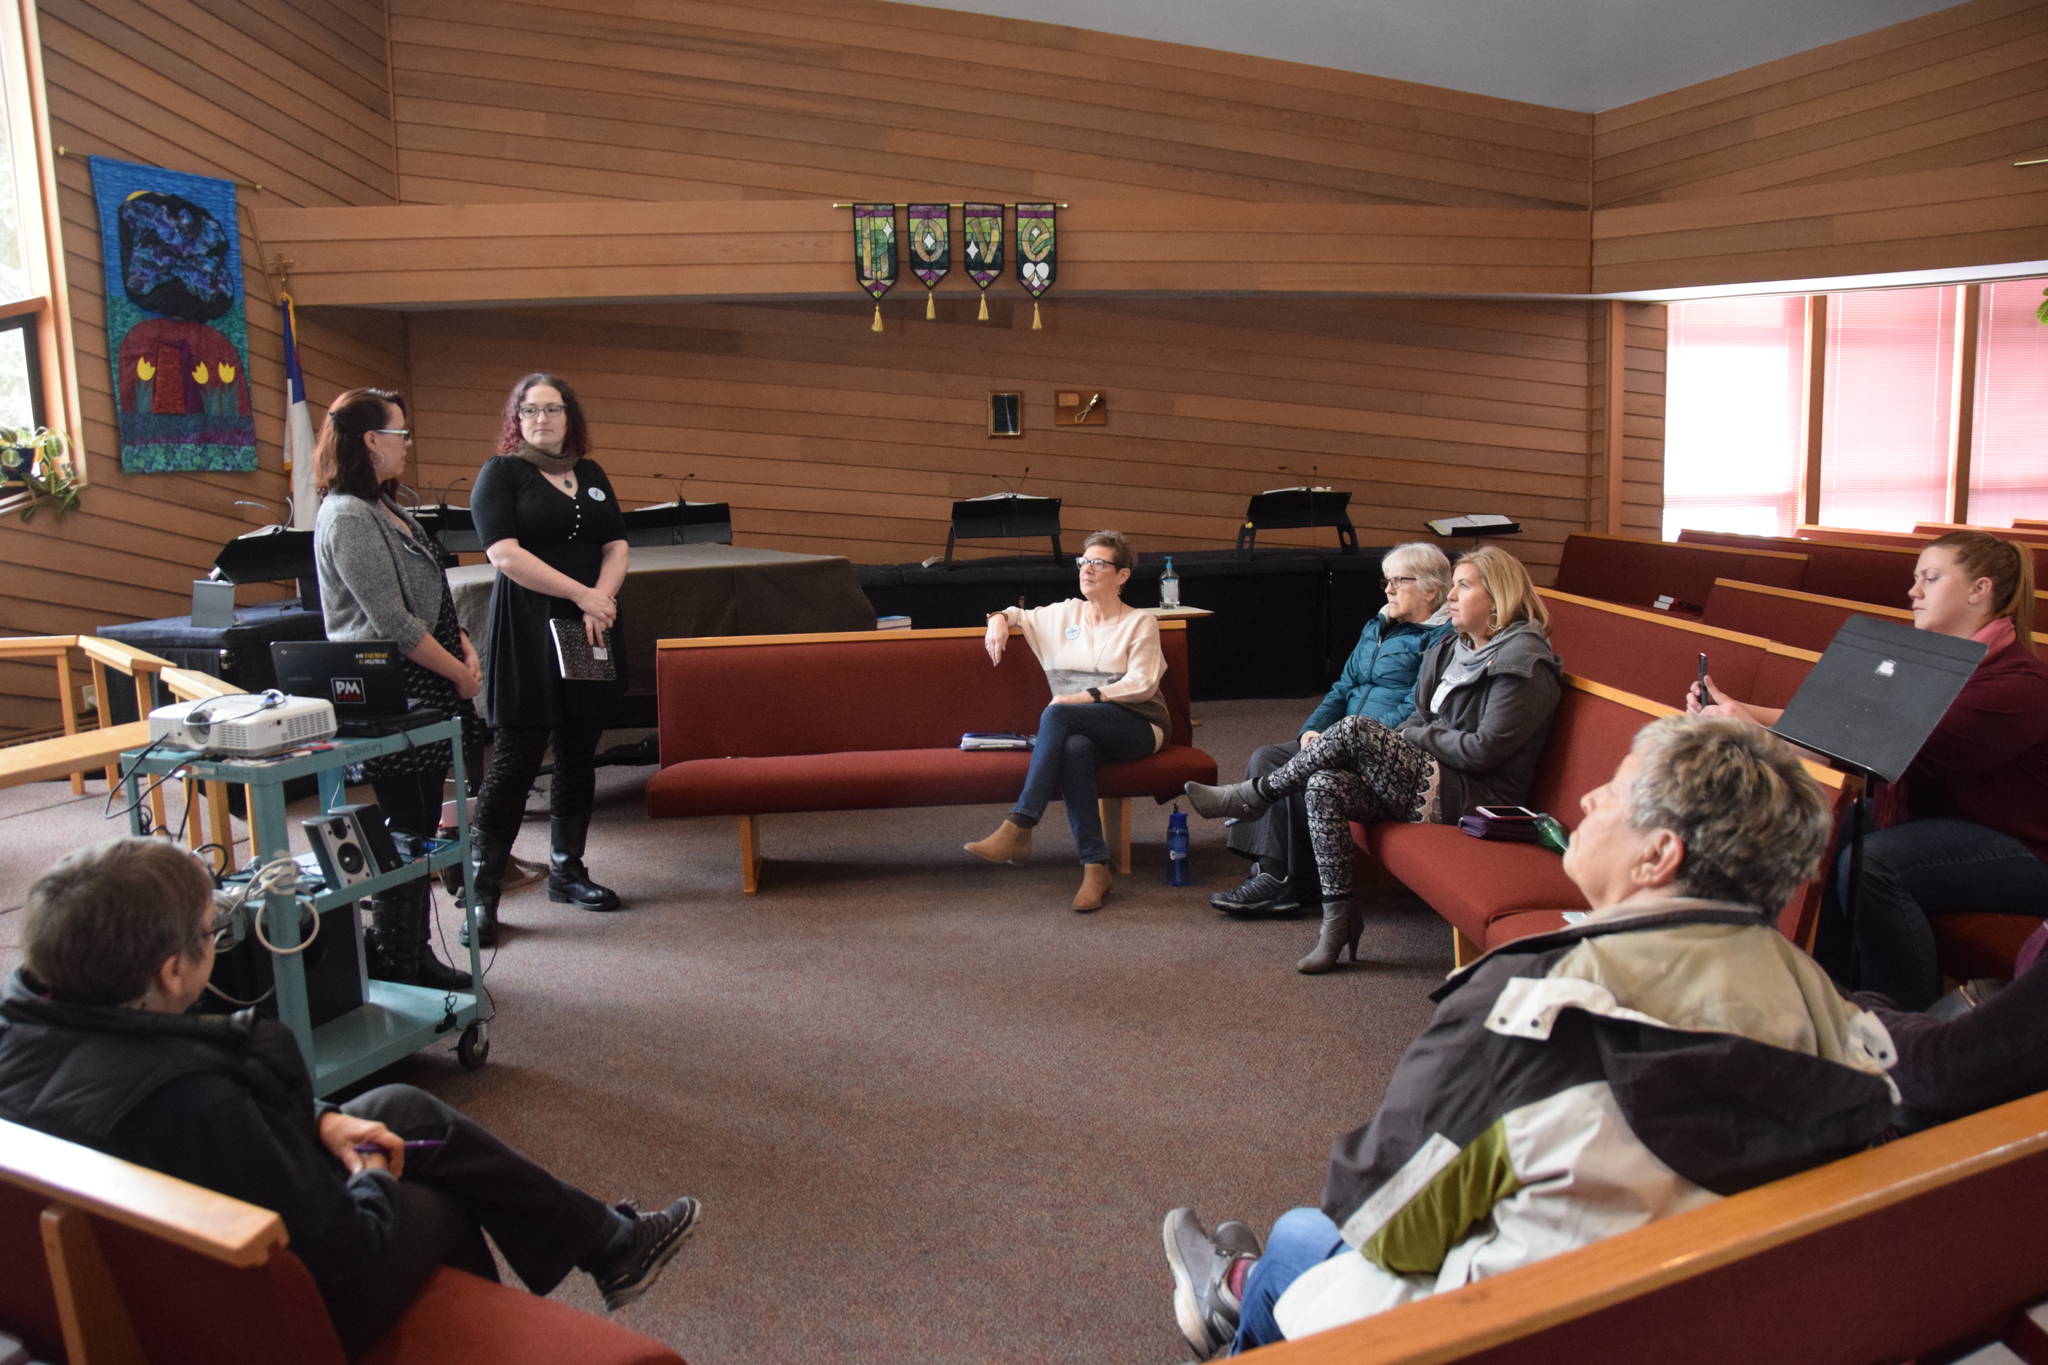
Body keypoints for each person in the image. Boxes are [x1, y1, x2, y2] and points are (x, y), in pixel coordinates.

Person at [1161, 717, 1899, 1359]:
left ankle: (1233, 1299)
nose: (1587, 801)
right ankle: (1232, 1291)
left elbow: (1384, 1222)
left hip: (1528, 1326)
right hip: (1704, 1315)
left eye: (1613, 792)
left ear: (1658, 856)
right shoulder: (1835, 1012)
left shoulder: (1539, 1008)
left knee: (1299, 1236)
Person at [0, 838, 701, 1360]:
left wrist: (322, 1119)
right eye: (211, 932)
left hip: (130, 1266)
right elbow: (347, 1252)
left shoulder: (32, 1021)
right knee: (436, 1188)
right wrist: (373, 1184)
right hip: (241, 1318)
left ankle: (609, 1242)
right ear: (172, 968)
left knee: (401, 1109)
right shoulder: (195, 1102)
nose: (217, 939)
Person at [1690, 530, 2048, 1010]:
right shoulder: (1938, 665)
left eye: (1930, 578)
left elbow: (1891, 746)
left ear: (1979, 590)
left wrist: (1753, 732)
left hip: (2026, 850)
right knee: (1829, 827)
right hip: (1949, 823)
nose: (1913, 592)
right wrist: (1742, 710)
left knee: (1876, 863)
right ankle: (1829, 992)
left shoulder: (2018, 683)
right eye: (1916, 578)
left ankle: (1900, 1019)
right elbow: (1847, 723)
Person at [1185, 546, 1563, 973]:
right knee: (1323, 783)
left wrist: (1413, 737)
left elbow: (1484, 749)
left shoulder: (1523, 661)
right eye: (1453, 585)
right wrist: (1412, 736)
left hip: (1476, 795)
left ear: (1498, 597)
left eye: (1464, 586)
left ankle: (1254, 796)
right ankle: (1339, 918)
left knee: (1355, 728)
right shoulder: (1453, 649)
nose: (1452, 596)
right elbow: (1419, 712)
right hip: (1430, 773)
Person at [312, 388, 475, 992]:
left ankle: (404, 952)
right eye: (400, 433)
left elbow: (430, 584)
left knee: (421, 821)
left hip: (426, 676)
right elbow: (389, 621)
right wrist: (458, 672)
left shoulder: (384, 504)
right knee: (408, 824)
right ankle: (401, 956)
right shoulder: (347, 514)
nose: (407, 443)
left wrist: (461, 640)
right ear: (370, 441)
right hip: (392, 687)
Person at [465, 373, 631, 946]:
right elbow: (503, 554)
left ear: (569, 416)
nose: (542, 419)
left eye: (553, 409)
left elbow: (616, 543)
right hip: (531, 629)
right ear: (518, 419)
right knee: (515, 758)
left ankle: (568, 872)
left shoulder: (590, 474)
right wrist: (582, 594)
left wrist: (602, 598)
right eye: (531, 410)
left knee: (580, 750)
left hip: (588, 626)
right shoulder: (501, 473)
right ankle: (480, 893)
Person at [1212, 542, 1454, 916]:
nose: (1388, 589)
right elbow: (1343, 687)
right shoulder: (1377, 626)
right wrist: (1313, 729)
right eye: (1386, 581)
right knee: (1268, 757)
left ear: (1431, 589)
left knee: (1309, 770)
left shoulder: (1440, 640)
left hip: (1385, 748)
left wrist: (1341, 740)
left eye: (1398, 581)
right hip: (1340, 734)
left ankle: (1288, 880)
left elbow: (1415, 706)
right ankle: (1273, 873)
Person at [965, 530, 1169, 913]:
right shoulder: (1062, 615)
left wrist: (1085, 697)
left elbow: (1142, 684)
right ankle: (1095, 867)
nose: (1087, 570)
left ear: (1122, 575)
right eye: (1083, 562)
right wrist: (996, 620)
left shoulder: (1139, 622)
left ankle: (1020, 825)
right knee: (1075, 748)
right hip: (1082, 728)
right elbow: (1014, 614)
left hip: (1139, 724)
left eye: (1099, 563)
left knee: (1058, 711)